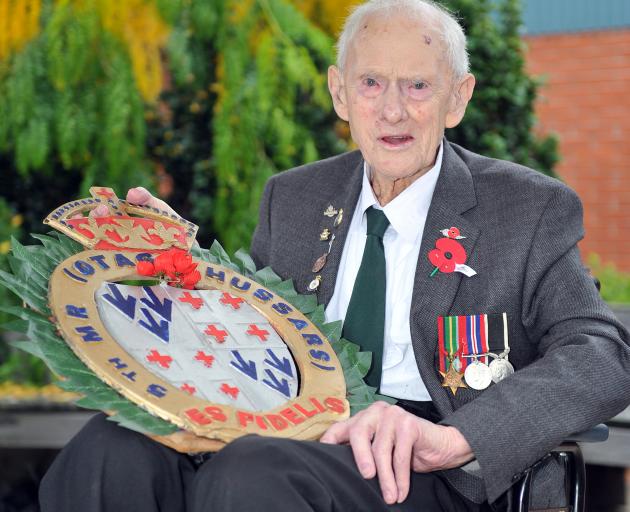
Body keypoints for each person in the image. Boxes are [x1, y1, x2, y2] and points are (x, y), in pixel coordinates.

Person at [40, 0, 630, 511]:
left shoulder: (525, 208)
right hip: (286, 432)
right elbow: (253, 331)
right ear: (340, 93)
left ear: (458, 98)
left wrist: (457, 437)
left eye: (418, 86)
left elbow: (603, 355)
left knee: (253, 473)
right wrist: (181, 268)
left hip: (427, 469)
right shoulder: (294, 198)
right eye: (371, 83)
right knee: (108, 448)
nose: (392, 110)